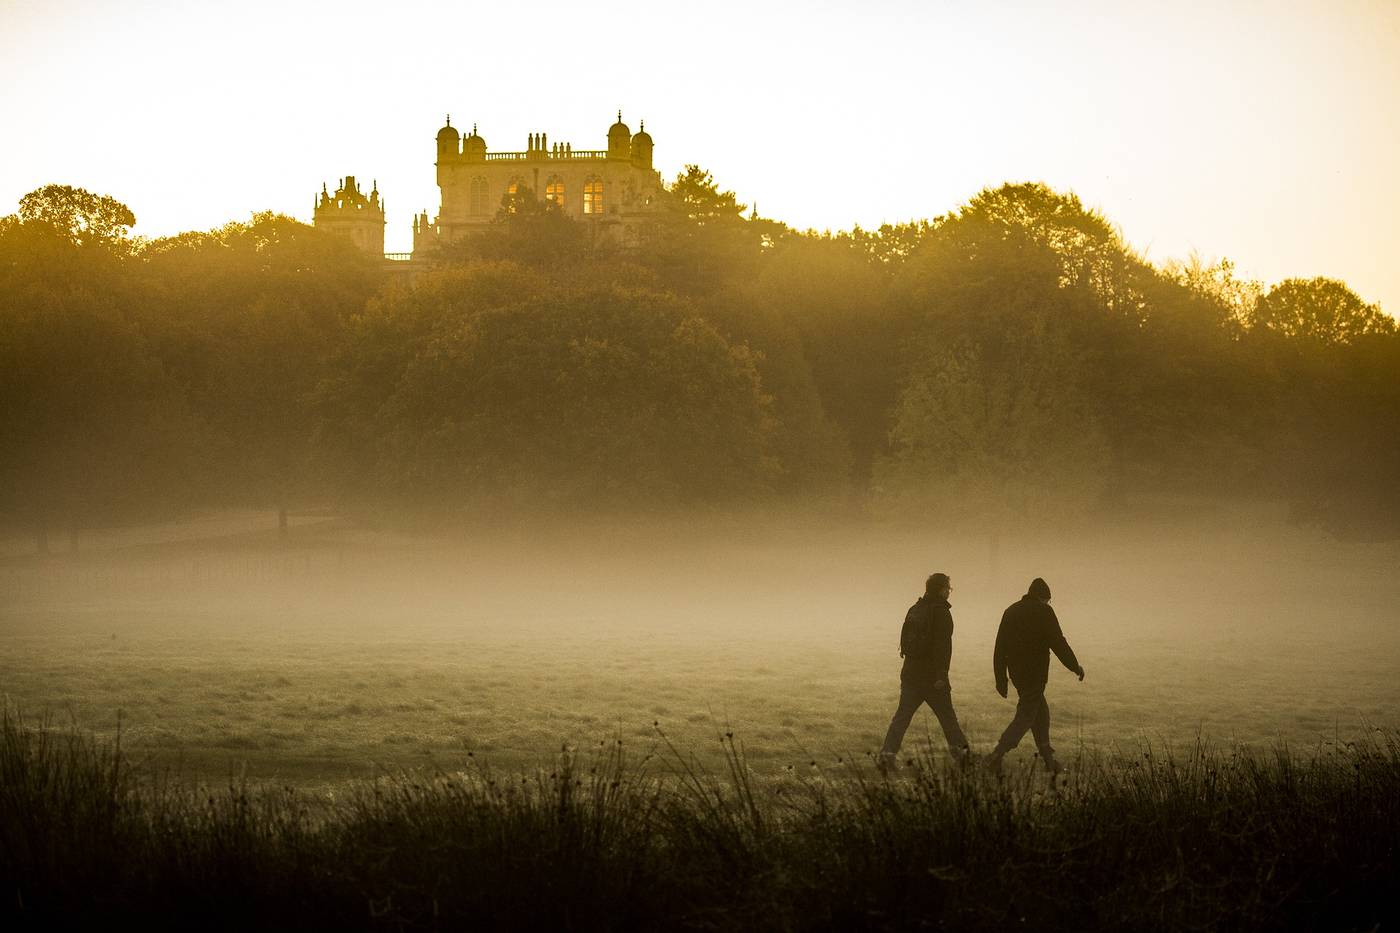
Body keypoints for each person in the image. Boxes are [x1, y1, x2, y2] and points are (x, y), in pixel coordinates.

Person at [987, 577, 1084, 775]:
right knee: (1025, 716)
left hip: (1017, 674)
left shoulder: (1011, 611)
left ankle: (1049, 761)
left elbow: (1000, 647)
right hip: (1036, 674)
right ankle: (996, 755)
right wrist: (1075, 666)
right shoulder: (1044, 611)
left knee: (1041, 715)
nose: (1048, 603)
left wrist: (1001, 679)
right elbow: (1058, 642)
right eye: (1048, 600)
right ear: (1043, 597)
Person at [878, 572, 970, 770]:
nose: (949, 592)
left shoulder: (916, 608)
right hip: (932, 677)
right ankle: (963, 758)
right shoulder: (941, 612)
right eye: (948, 588)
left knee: (902, 717)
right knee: (948, 718)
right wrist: (941, 675)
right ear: (941, 590)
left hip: (910, 673)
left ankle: (886, 756)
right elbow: (942, 647)